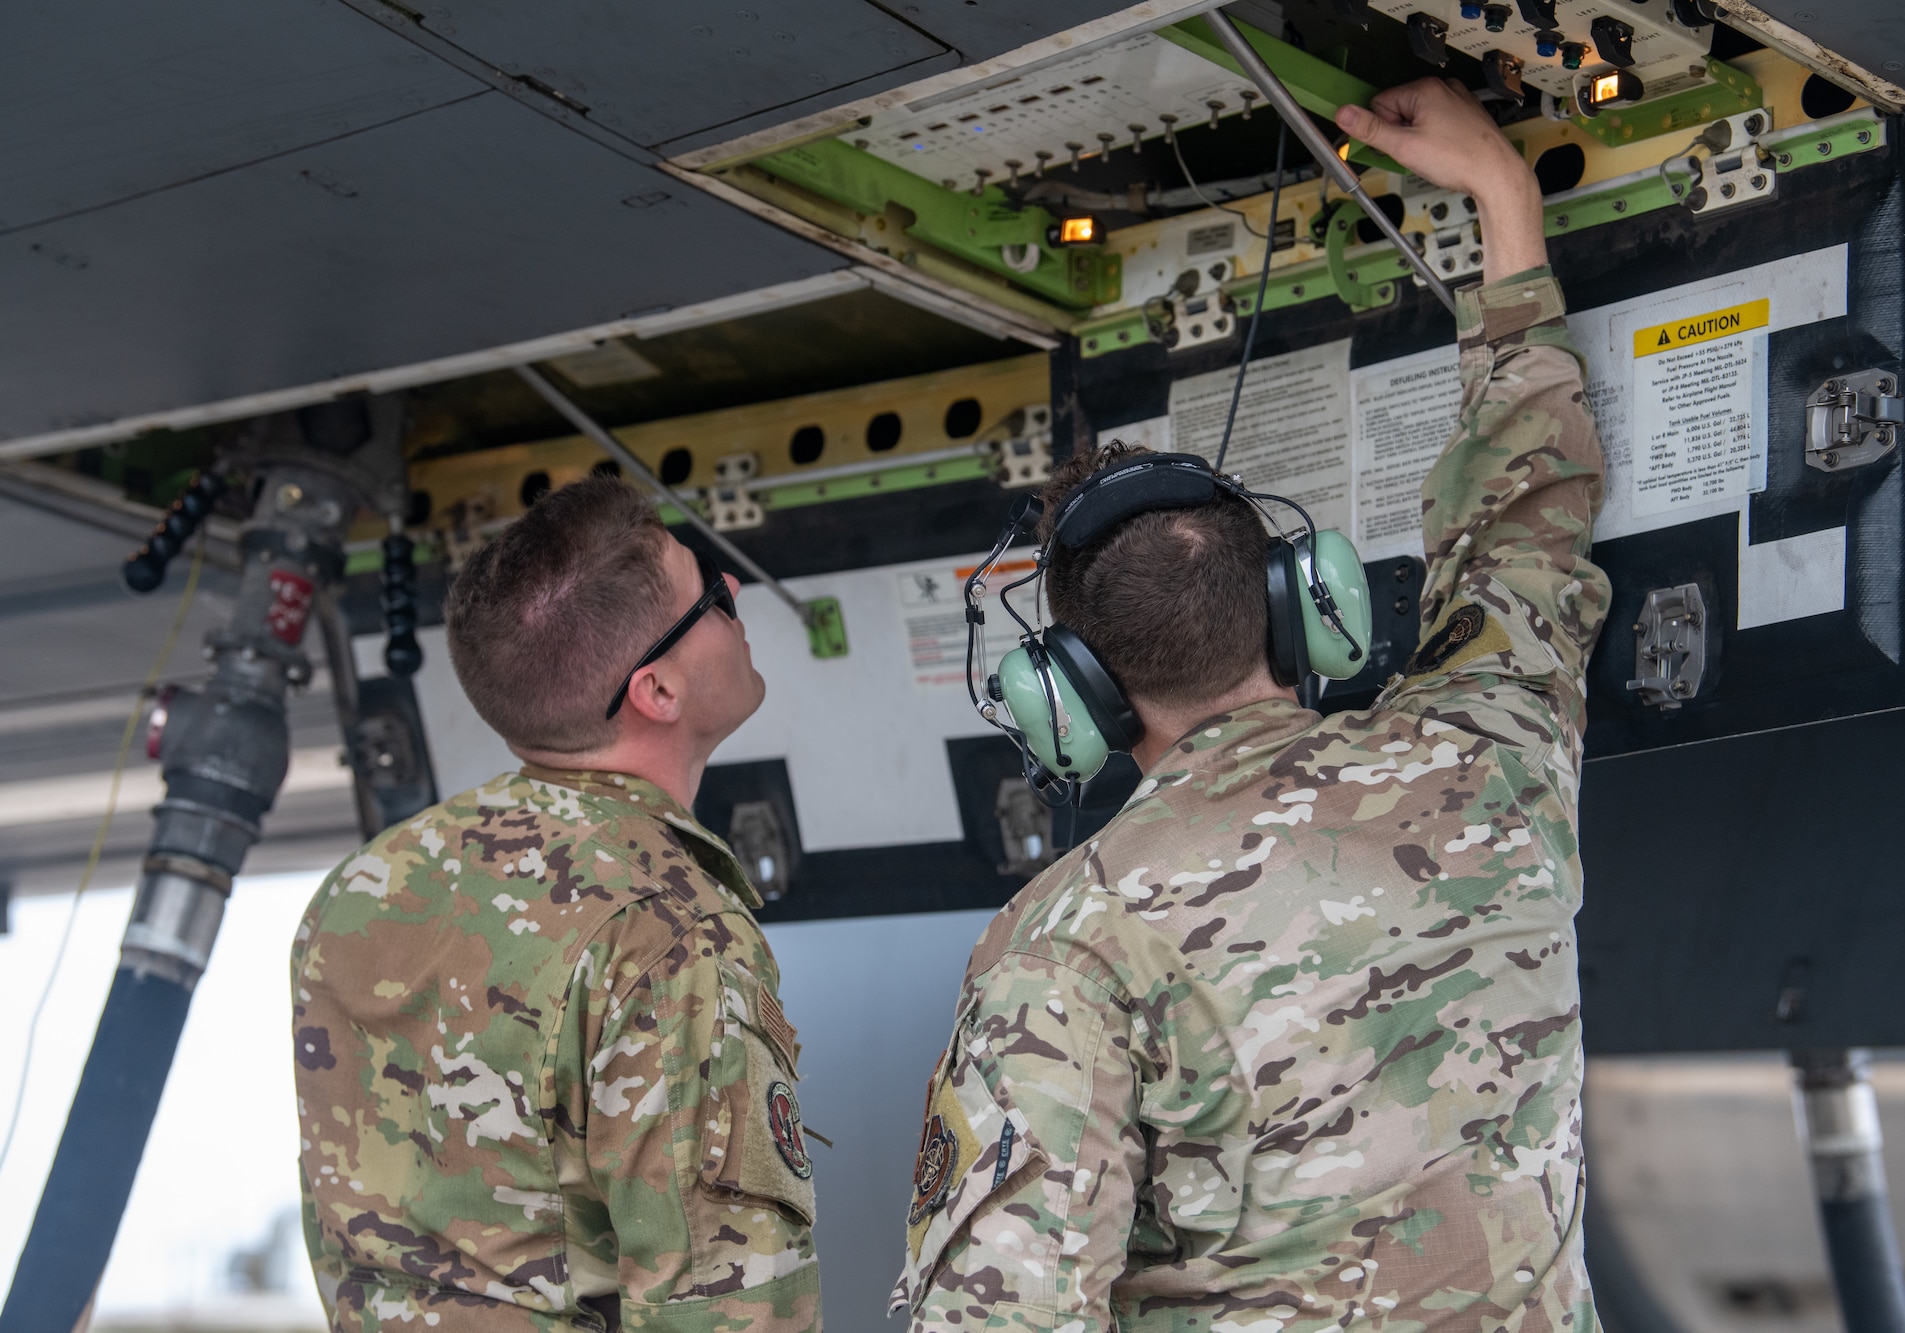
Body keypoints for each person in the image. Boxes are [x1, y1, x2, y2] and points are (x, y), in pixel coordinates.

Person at [891, 77, 1610, 1332]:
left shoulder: (1071, 939)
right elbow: (1524, 516)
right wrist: (1499, 190)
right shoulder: (1488, 755)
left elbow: (999, 1312)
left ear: (1073, 699)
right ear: (1300, 604)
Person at [292, 477, 820, 1331]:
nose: (734, 598)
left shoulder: (363, 889)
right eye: (711, 594)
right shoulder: (668, 926)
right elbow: (724, 1301)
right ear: (656, 692)